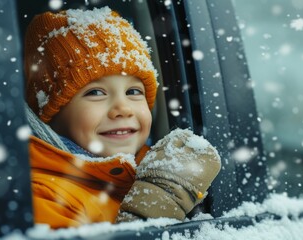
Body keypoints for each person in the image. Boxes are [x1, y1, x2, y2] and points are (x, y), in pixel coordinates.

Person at [24, 6, 221, 229]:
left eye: (133, 92)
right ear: (51, 113)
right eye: (96, 93)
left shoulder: (162, 171)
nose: (123, 109)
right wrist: (150, 214)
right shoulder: (42, 196)